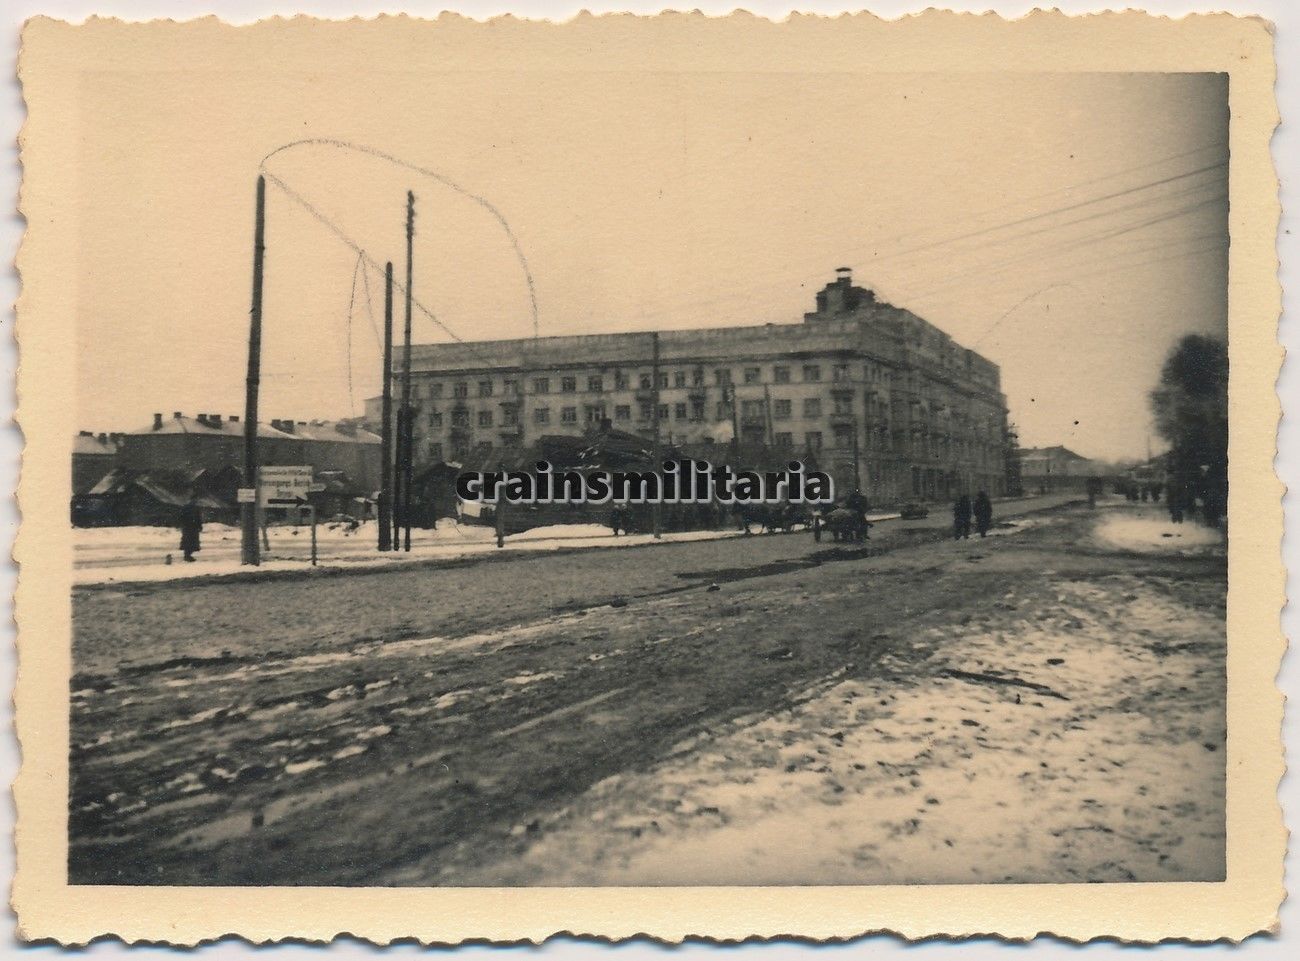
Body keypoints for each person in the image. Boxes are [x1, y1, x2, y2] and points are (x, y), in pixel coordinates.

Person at [179, 491, 204, 562]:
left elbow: (198, 518)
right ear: (192, 499)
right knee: (189, 541)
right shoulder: (187, 507)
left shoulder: (195, 508)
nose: (196, 501)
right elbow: (182, 517)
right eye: (196, 499)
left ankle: (188, 555)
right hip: (189, 527)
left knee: (192, 542)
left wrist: (200, 526)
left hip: (192, 527)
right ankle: (187, 556)